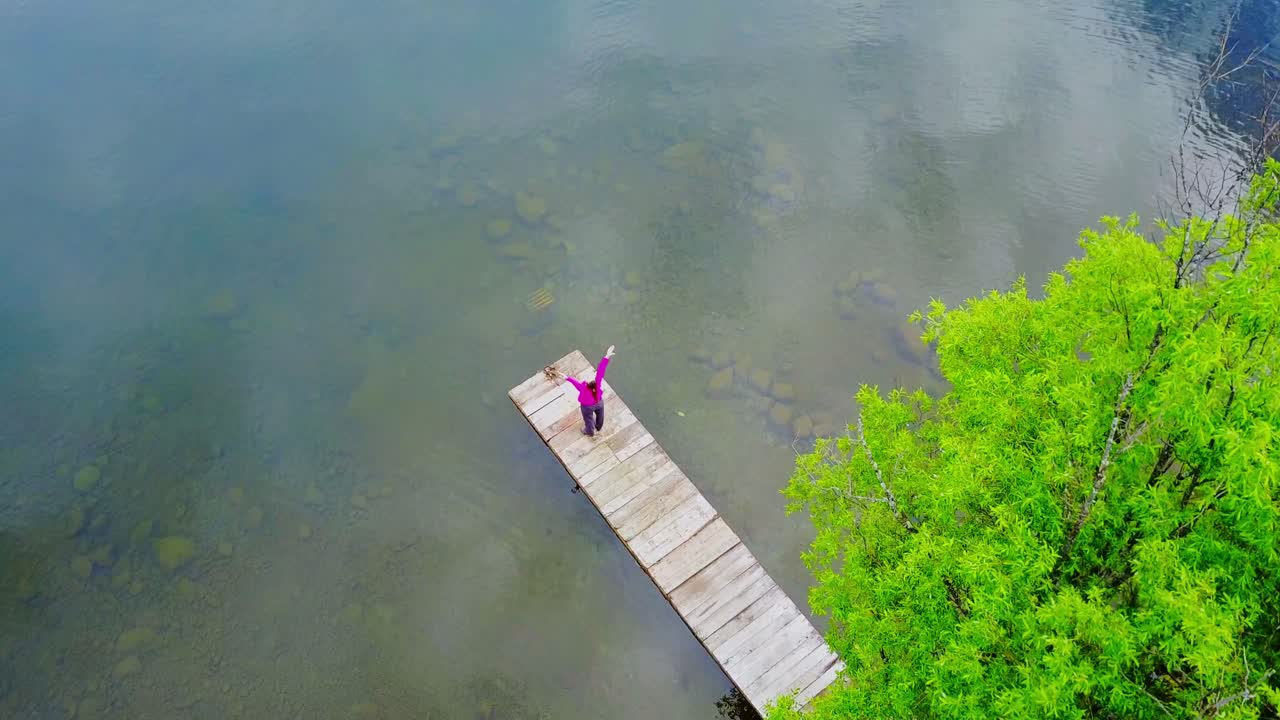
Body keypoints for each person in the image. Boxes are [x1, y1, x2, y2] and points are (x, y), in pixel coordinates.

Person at [558, 345, 616, 436]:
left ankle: (590, 431)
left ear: (588, 384)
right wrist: (607, 356)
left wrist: (566, 377)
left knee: (588, 419)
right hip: (599, 403)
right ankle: (598, 427)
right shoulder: (597, 385)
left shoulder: (583, 388)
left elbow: (575, 382)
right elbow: (601, 371)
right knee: (600, 415)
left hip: (587, 407)